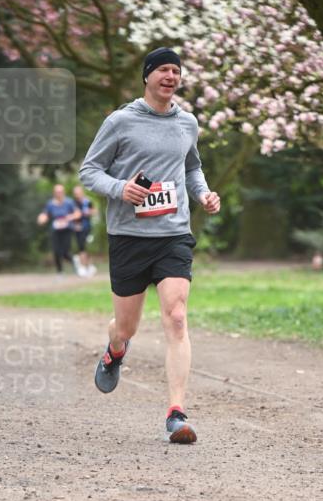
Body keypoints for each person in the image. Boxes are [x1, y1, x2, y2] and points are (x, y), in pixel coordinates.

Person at [79, 47, 220, 444]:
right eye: (163, 69)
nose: (170, 76)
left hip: (173, 234)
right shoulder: (121, 121)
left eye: (176, 70)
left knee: (176, 317)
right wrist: (120, 189)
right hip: (128, 237)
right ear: (147, 76)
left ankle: (176, 412)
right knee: (127, 325)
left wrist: (204, 194)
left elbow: (191, 166)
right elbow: (89, 170)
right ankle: (115, 349)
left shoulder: (187, 122)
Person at [36, 184, 81, 275]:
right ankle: (60, 272)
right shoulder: (50, 204)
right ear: (54, 193)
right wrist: (42, 219)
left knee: (65, 252)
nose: (59, 193)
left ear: (63, 192)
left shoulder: (69, 202)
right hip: (55, 230)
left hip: (67, 229)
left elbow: (78, 213)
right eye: (57, 192)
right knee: (56, 251)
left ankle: (75, 262)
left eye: (60, 192)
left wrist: (70, 217)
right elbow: (45, 214)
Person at [71, 185, 97, 276]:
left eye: (78, 193)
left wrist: (88, 212)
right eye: (75, 193)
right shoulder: (73, 203)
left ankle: (87, 266)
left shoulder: (88, 201)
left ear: (82, 192)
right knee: (81, 247)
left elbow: (94, 211)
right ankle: (84, 267)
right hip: (77, 228)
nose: (77, 195)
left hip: (87, 228)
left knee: (85, 248)